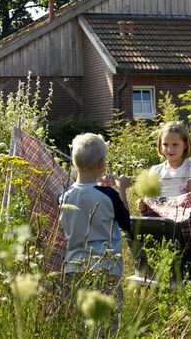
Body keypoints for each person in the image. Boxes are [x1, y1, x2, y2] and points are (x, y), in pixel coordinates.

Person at [58, 133, 131, 314]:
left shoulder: (65, 196)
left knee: (82, 318)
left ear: (75, 164)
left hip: (74, 266)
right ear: (101, 164)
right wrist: (121, 189)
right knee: (108, 318)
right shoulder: (108, 195)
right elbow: (126, 223)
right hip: (106, 267)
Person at [150, 121, 191, 197]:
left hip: (184, 208)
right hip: (160, 208)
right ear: (160, 145)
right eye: (165, 145)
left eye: (175, 145)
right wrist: (143, 203)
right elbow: (151, 200)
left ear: (185, 144)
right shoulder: (155, 170)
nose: (170, 149)